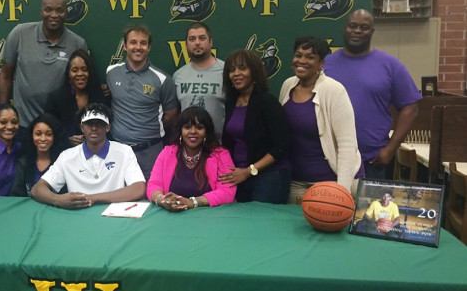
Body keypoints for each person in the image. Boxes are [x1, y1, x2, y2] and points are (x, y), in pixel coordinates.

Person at [324, 9, 421, 179]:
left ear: (372, 31)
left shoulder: (391, 65)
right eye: (352, 26)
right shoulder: (326, 65)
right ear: (345, 28)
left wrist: (390, 149)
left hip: (372, 162)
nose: (357, 31)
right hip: (329, 160)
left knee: (372, 207)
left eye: (364, 27)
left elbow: (410, 108)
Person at [279, 36, 363, 204]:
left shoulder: (334, 90)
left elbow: (347, 145)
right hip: (296, 181)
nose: (301, 61)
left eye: (310, 57)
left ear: (321, 64)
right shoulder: (287, 85)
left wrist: (342, 192)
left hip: (331, 181)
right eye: (298, 55)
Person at [0, 0, 88, 134]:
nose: (54, 15)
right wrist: (3, 113)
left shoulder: (78, 43)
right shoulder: (20, 34)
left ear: (66, 13)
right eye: (48, 9)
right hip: (22, 124)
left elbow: (83, 85)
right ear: (41, 12)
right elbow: (5, 75)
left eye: (60, 10)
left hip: (58, 127)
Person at [31, 103, 146, 209]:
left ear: (108, 127)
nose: (94, 128)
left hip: (115, 214)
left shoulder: (124, 151)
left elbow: (139, 188)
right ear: (82, 128)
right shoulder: (67, 156)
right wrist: (58, 199)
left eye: (99, 123)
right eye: (89, 124)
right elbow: (37, 189)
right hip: (79, 216)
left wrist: (94, 198)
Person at [106, 24, 179, 179]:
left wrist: (146, 130)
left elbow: (171, 115)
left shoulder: (162, 79)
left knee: (152, 197)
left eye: (143, 43)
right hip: (118, 150)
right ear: (125, 46)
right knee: (118, 198)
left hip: (150, 152)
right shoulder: (111, 73)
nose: (138, 47)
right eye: (133, 42)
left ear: (149, 47)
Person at [218, 49, 290, 204]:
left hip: (269, 177)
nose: (236, 73)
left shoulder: (267, 102)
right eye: (231, 70)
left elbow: (281, 147)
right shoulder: (231, 101)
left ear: (254, 72)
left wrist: (249, 171)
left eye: (242, 68)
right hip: (239, 176)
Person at [148, 106, 236, 211]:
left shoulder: (221, 155)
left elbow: (227, 192)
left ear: (206, 132)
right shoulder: (168, 153)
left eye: (199, 127)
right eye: (187, 127)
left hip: (212, 217)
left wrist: (192, 202)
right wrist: (163, 200)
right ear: (181, 131)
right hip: (174, 216)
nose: (193, 131)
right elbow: (154, 185)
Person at [172, 22, 225, 139]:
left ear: (210, 42)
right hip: (188, 148)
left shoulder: (226, 72)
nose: (197, 43)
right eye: (192, 39)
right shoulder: (178, 75)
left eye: (202, 38)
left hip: (219, 146)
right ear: (186, 44)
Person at [44, 49, 106, 146]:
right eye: (75, 70)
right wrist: (67, 140)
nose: (80, 74)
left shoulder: (100, 97)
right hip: (64, 152)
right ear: (68, 74)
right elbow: (48, 130)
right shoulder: (56, 98)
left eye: (84, 69)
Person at [10, 113, 67, 197]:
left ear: (55, 137)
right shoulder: (23, 162)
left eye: (48, 134)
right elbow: (16, 194)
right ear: (31, 136)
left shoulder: (63, 162)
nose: (43, 139)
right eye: (38, 134)